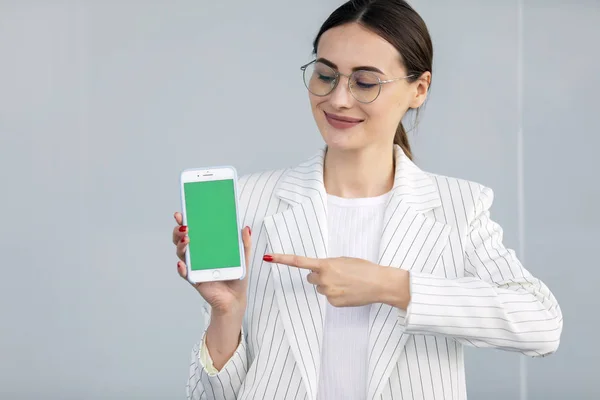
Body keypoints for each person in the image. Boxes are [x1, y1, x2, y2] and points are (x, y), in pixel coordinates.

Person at [172, 1, 563, 399]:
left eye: (365, 82)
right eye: (326, 75)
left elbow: (542, 324)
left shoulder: (457, 207)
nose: (338, 99)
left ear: (419, 88)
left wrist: (389, 285)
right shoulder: (249, 202)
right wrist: (227, 314)